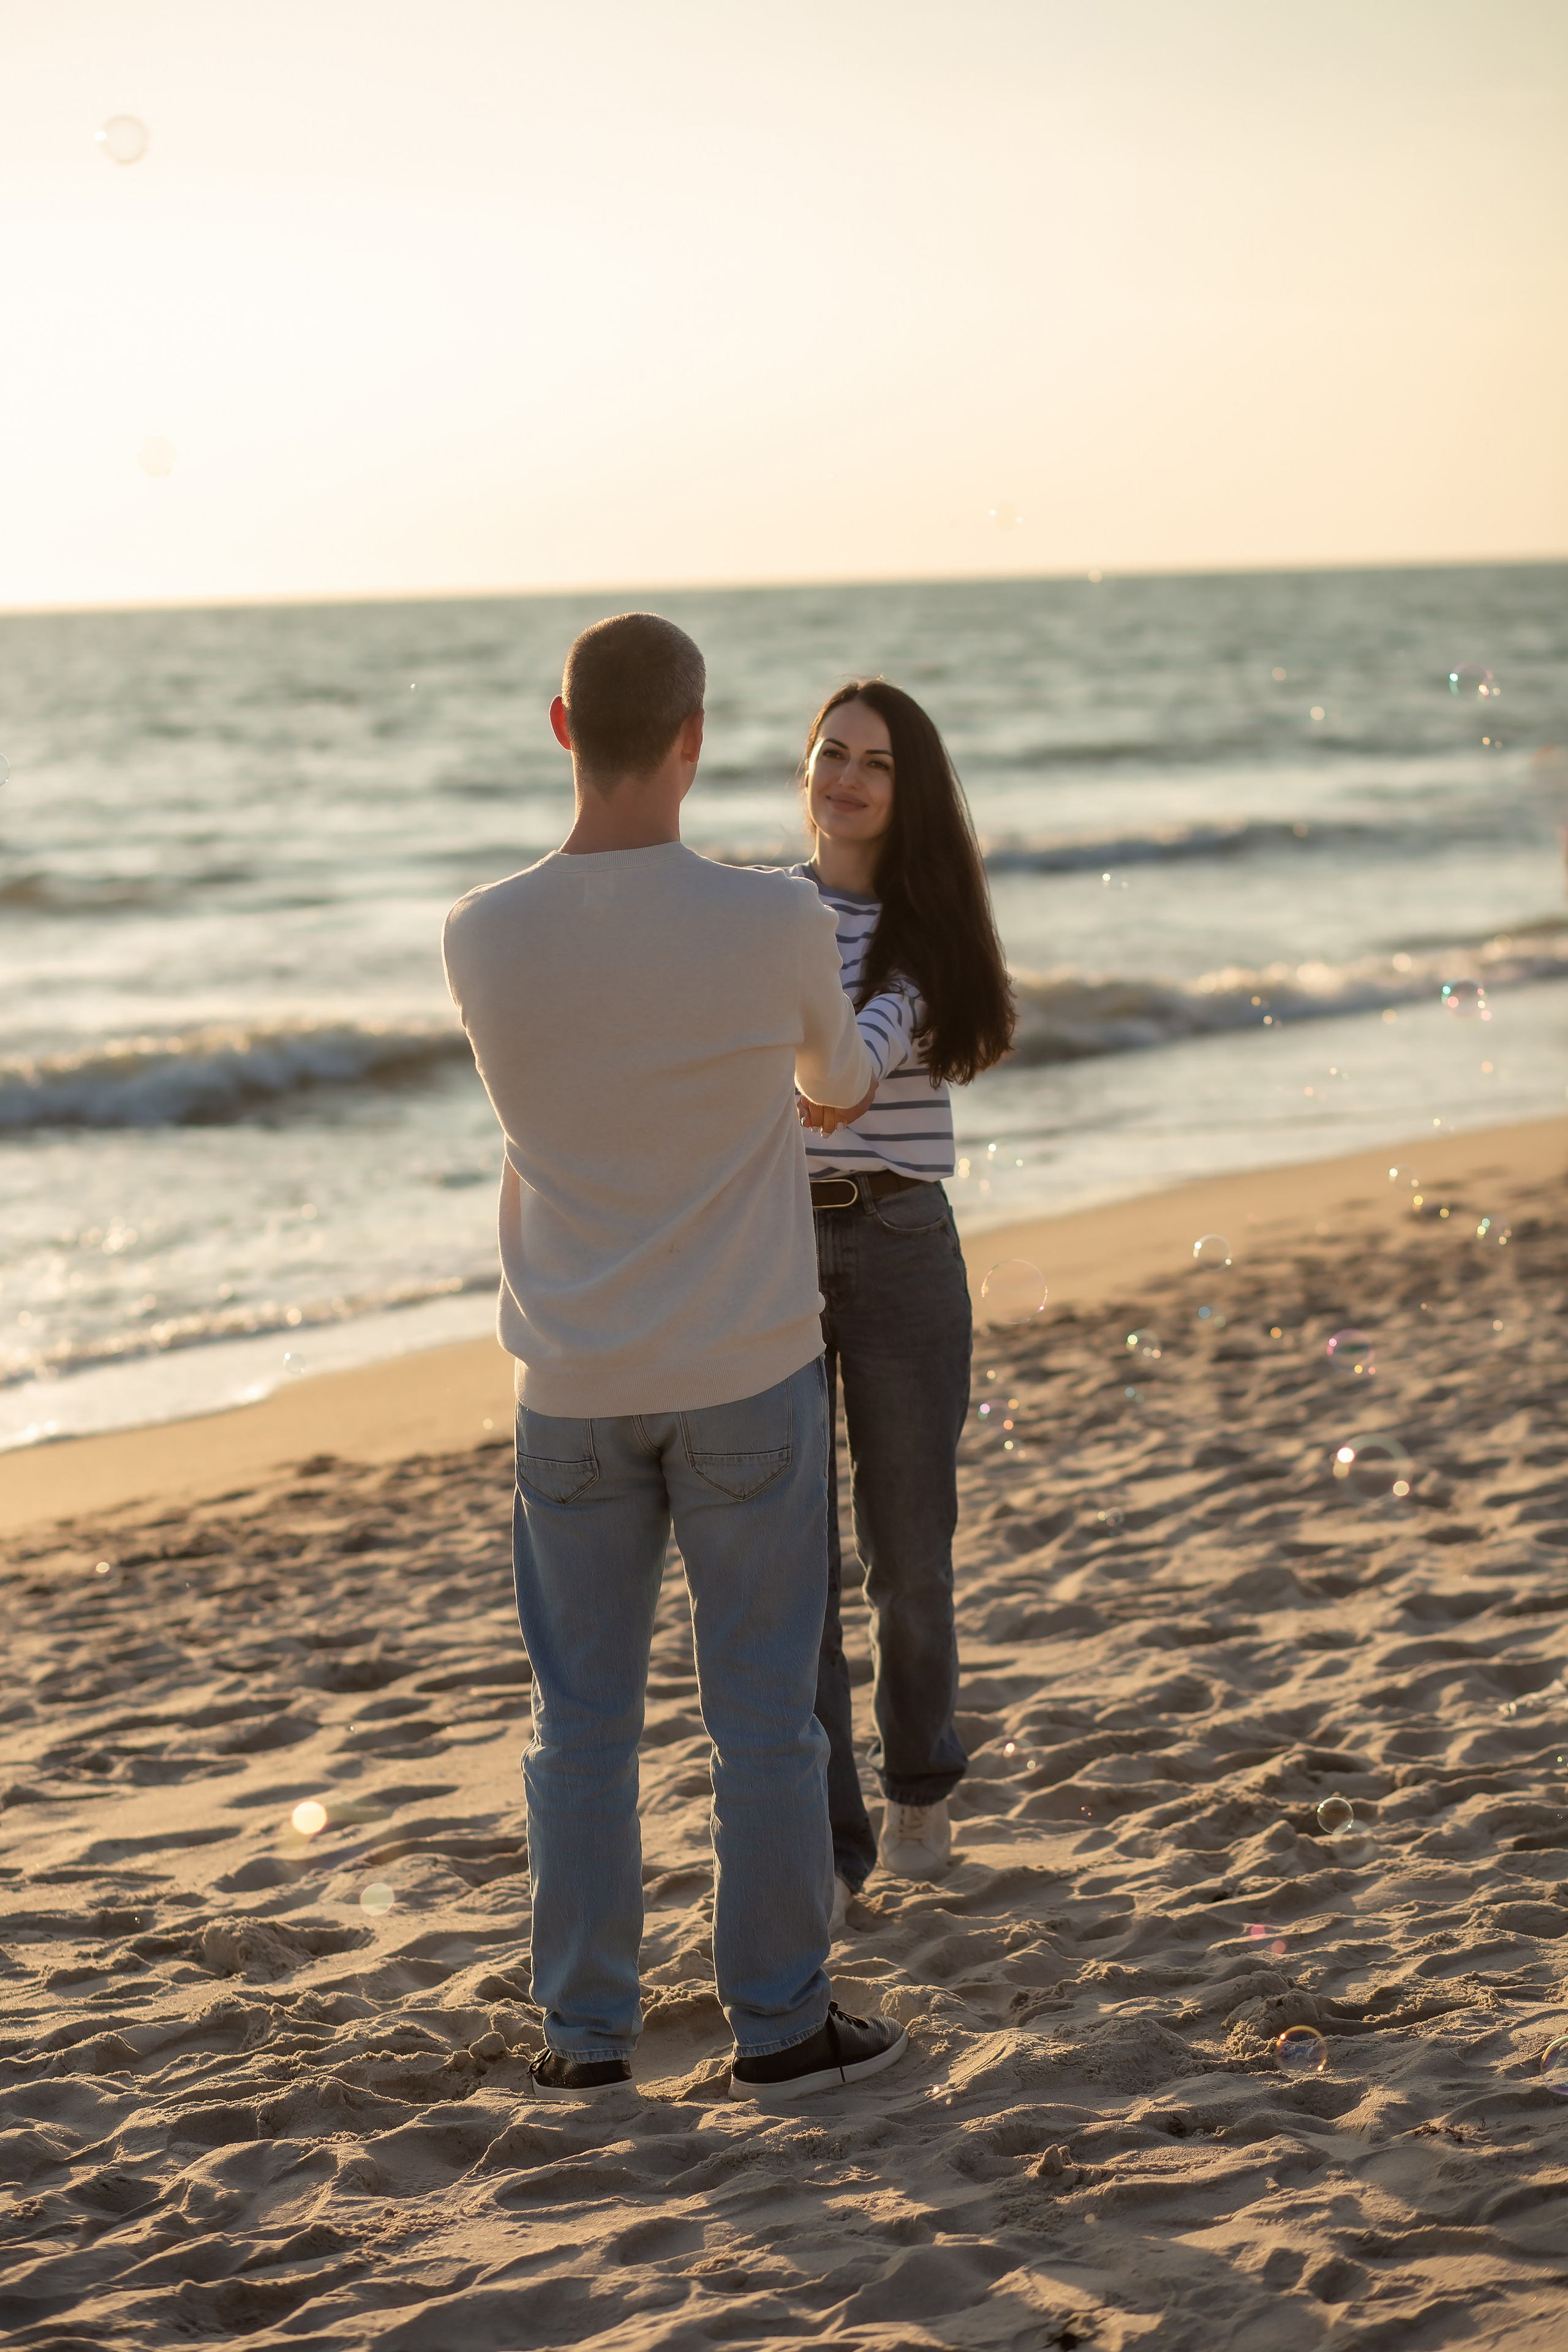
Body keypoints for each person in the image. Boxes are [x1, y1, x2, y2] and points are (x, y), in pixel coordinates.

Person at [443, 614, 908, 2105]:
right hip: (743, 1371)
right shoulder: (772, 921)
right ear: (694, 743)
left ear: (562, 726)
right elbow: (832, 1084)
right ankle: (777, 2028)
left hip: (569, 1386)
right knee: (762, 1720)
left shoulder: (478, 932)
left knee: (575, 1730)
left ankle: (583, 2040)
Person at [791, 679, 1014, 1924]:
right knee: (795, 1568)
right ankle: (831, 1849)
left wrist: (832, 1080)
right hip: (767, 1252)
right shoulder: (760, 914)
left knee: (907, 1561)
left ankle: (918, 1786)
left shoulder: (920, 933)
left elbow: (859, 1057)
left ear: (906, 790)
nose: (847, 778)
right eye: (831, 753)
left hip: (899, 1246)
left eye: (876, 762)